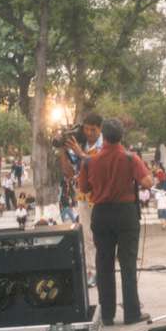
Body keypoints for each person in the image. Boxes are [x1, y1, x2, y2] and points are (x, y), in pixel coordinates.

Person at [78, 118, 153, 326]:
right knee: (128, 264)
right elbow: (147, 183)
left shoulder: (89, 161)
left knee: (104, 265)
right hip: (126, 213)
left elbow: (83, 189)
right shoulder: (130, 158)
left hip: (101, 214)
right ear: (121, 136)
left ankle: (108, 315)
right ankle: (131, 313)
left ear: (103, 134)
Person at [60, 113, 104, 287]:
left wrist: (81, 153)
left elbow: (102, 163)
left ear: (100, 129)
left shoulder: (105, 144)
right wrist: (62, 150)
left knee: (101, 236)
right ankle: (91, 271)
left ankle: (103, 271)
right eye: (86, 129)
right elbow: (69, 172)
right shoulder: (81, 143)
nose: (89, 133)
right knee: (87, 235)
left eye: (93, 129)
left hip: (101, 195)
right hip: (84, 195)